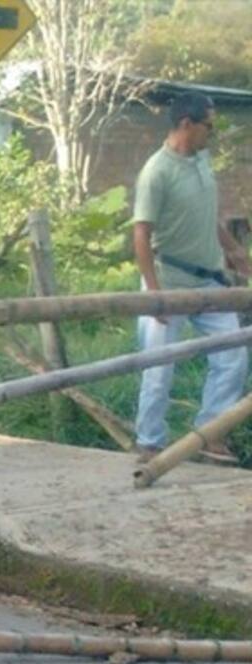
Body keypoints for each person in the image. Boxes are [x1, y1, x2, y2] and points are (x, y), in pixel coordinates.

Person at [132, 91, 250, 465]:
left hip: (210, 282)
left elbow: (207, 214)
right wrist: (155, 295)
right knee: (158, 367)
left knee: (232, 357)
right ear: (187, 123)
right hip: (169, 282)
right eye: (208, 127)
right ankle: (149, 443)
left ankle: (210, 434)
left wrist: (234, 251)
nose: (211, 133)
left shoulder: (202, 160)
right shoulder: (156, 172)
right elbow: (141, 234)